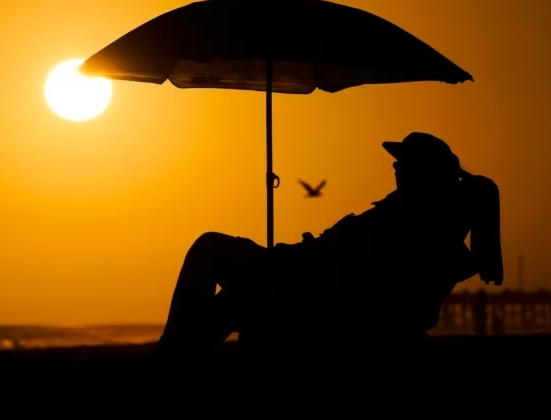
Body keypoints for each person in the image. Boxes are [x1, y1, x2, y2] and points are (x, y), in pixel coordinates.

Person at [156, 132, 503, 358]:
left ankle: (176, 355)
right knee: (219, 261)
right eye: (397, 165)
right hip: (302, 277)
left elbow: (351, 270)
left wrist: (294, 263)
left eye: (402, 165)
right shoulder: (408, 215)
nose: (396, 170)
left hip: (311, 292)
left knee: (219, 260)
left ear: (422, 172)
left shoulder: (416, 223)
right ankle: (179, 353)